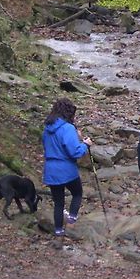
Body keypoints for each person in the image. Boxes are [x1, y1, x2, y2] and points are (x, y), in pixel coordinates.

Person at [42, 98, 92, 237]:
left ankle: (58, 231)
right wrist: (85, 144)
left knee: (58, 203)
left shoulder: (47, 128)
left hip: (51, 170)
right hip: (66, 170)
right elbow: (75, 152)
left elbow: (49, 147)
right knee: (77, 193)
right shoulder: (68, 128)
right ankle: (72, 220)